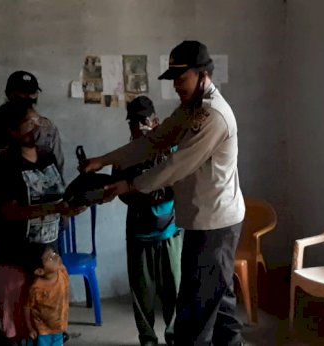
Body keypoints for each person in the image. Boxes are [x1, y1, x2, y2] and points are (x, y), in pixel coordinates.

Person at [81, 40, 246, 345]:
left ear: (203, 75)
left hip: (215, 225)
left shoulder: (212, 117)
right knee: (219, 304)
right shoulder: (190, 110)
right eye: (173, 80)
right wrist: (105, 160)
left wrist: (130, 185)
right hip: (205, 220)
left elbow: (174, 165)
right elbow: (153, 141)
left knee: (194, 314)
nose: (176, 87)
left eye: (181, 79)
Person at [0, 101, 83, 344]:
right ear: (12, 131)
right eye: (28, 124)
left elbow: (60, 196)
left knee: (51, 321)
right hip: (18, 256)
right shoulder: (4, 164)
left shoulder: (47, 155)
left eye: (37, 121)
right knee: (25, 327)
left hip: (50, 252)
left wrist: (71, 208)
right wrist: (53, 208)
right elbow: (10, 212)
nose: (36, 128)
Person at [113, 96, 182, 346]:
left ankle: (174, 337)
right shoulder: (126, 156)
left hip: (170, 233)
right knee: (142, 294)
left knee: (174, 290)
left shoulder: (171, 149)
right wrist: (144, 195)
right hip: (139, 234)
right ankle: (147, 339)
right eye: (134, 123)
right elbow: (119, 192)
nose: (140, 127)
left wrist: (153, 191)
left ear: (155, 121)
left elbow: (181, 183)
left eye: (145, 121)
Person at [0, 70, 64, 230]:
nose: (29, 99)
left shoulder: (48, 128)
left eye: (32, 93)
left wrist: (61, 211)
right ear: (9, 95)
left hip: (48, 220)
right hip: (13, 215)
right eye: (22, 94)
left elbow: (58, 170)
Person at [23, 244, 70, 346]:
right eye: (50, 258)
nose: (56, 257)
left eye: (54, 253)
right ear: (40, 271)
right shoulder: (37, 288)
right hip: (43, 331)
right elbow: (27, 308)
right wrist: (30, 329)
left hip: (59, 327)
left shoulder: (62, 271)